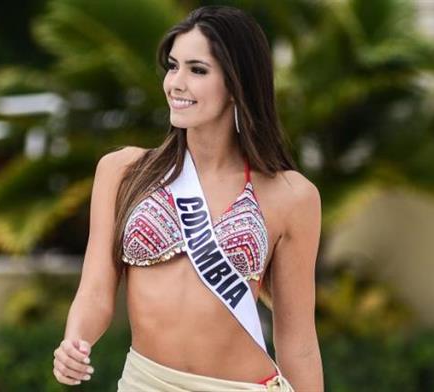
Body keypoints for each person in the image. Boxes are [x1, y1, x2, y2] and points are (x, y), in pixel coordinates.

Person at [52, 5, 323, 391]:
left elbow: (299, 343)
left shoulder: (291, 196)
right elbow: (95, 291)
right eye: (172, 66)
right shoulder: (123, 171)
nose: (176, 82)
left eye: (197, 70)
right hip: (145, 383)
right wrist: (74, 342)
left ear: (236, 84)